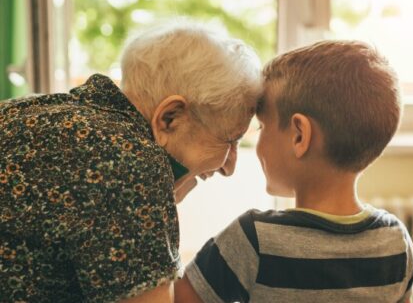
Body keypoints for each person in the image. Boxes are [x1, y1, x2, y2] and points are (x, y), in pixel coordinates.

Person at [0, 21, 262, 302]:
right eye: (230, 140)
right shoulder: (131, 161)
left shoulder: (26, 110)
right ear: (169, 118)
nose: (229, 166)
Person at [175, 40, 413, 303]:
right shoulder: (395, 244)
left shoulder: (254, 240)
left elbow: (173, 300)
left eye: (262, 127)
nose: (258, 139)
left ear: (299, 135)